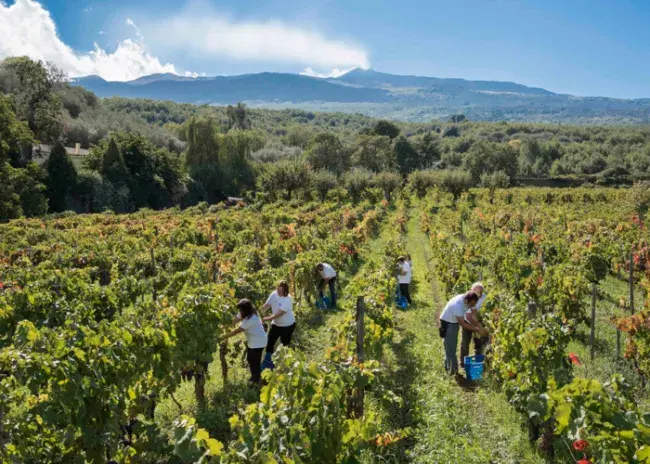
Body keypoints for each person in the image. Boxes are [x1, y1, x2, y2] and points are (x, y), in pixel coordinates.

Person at [438, 291, 488, 375]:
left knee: (450, 347)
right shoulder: (458, 305)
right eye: (471, 304)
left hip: (453, 322)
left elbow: (474, 313)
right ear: (466, 301)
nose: (471, 306)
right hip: (448, 324)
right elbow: (463, 324)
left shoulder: (470, 299)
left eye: (473, 304)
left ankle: (448, 367)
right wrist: (476, 329)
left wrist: (479, 326)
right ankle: (453, 372)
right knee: (451, 349)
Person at [222, 299, 267, 385]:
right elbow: (235, 320)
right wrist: (223, 327)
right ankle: (255, 378)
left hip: (259, 343)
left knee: (254, 362)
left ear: (245, 310)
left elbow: (236, 331)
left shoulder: (252, 319)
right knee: (250, 359)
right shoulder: (247, 313)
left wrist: (222, 337)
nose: (240, 311)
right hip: (254, 342)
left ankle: (255, 381)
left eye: (241, 310)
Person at [261, 280, 296, 358]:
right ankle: (268, 360)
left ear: (285, 291)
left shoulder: (288, 299)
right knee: (269, 342)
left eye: (281, 291)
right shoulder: (274, 294)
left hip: (287, 326)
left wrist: (266, 318)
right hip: (276, 324)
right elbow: (266, 305)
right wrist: (260, 312)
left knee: (285, 345)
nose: (278, 292)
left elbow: (279, 314)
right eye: (278, 290)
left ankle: (286, 359)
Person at [460, 282, 489, 368]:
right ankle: (463, 363)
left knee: (479, 343)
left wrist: (480, 326)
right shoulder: (468, 297)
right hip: (467, 321)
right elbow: (469, 316)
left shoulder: (485, 298)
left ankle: (478, 362)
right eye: (477, 293)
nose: (478, 295)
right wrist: (478, 328)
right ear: (472, 290)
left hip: (478, 321)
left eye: (480, 293)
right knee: (465, 342)